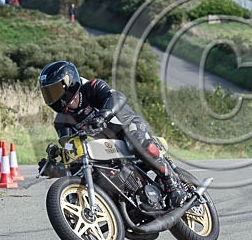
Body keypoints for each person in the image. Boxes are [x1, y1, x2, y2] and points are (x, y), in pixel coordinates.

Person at [38, 60, 188, 207]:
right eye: (48, 93)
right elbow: (72, 151)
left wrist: (104, 115)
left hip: (129, 126)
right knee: (94, 169)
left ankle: (171, 183)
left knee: (136, 142)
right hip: (108, 145)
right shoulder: (62, 121)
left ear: (69, 83)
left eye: (55, 90)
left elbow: (117, 97)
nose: (53, 98)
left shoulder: (91, 87)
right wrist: (56, 167)